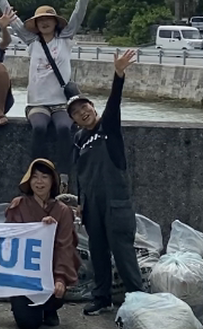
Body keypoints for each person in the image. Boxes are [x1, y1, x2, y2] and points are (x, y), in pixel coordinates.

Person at [0, 0, 100, 193]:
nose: (45, 23)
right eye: (41, 21)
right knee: (39, 128)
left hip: (62, 103)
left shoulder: (65, 37)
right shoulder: (32, 41)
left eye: (48, 19)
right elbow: (12, 18)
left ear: (55, 22)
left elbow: (79, 13)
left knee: (63, 129)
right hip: (38, 103)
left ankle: (63, 176)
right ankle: (35, 173)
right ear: (37, 25)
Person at [67, 49, 143, 315]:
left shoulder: (108, 128)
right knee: (98, 252)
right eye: (76, 112)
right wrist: (80, 201)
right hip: (91, 204)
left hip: (115, 201)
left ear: (93, 107)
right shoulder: (78, 139)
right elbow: (80, 172)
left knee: (123, 252)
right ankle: (102, 297)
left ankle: (137, 300)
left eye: (85, 107)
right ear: (73, 120)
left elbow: (115, 103)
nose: (82, 113)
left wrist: (118, 74)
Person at [5, 159, 79, 329]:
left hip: (50, 273)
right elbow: (10, 242)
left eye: (45, 177)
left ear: (53, 181)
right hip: (24, 275)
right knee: (28, 323)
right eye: (35, 177)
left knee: (57, 294)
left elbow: (65, 247)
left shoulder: (63, 211)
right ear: (28, 181)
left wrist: (60, 278)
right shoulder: (18, 206)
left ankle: (50, 309)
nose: (39, 182)